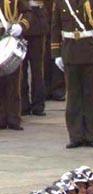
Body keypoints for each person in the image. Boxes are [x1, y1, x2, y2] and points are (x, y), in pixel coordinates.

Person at [51, 0, 93, 146]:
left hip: (90, 51)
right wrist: (56, 53)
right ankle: (75, 136)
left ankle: (92, 135)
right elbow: (55, 27)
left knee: (91, 96)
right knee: (73, 96)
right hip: (70, 52)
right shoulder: (61, 2)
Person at [0, 0, 29, 130]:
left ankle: (13, 117)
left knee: (13, 80)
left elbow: (28, 13)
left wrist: (21, 26)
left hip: (9, 38)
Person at [20, 0, 47, 117]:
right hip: (20, 22)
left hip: (37, 21)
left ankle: (38, 105)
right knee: (21, 69)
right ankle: (23, 105)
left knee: (37, 68)